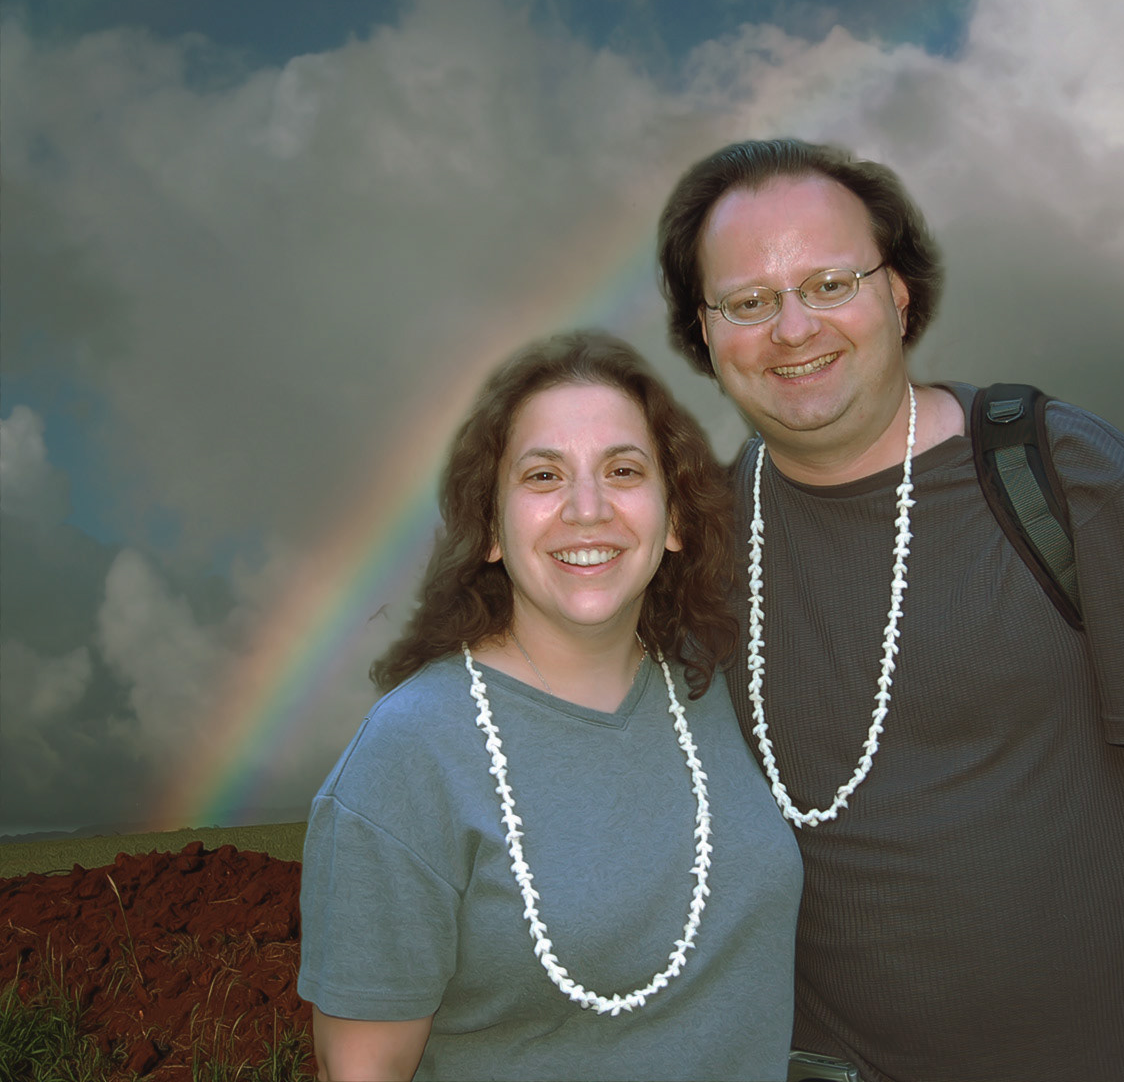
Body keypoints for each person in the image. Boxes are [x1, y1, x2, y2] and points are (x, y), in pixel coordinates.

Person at [657, 139, 1124, 1082]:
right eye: (748, 302)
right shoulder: (695, 546)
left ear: (899, 293)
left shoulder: (1064, 478)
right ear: (705, 334)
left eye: (832, 282)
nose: (793, 328)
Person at [297, 331, 803, 1082]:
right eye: (543, 476)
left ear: (674, 521)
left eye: (624, 470)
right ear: (492, 529)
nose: (587, 508)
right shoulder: (407, 757)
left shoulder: (713, 688)